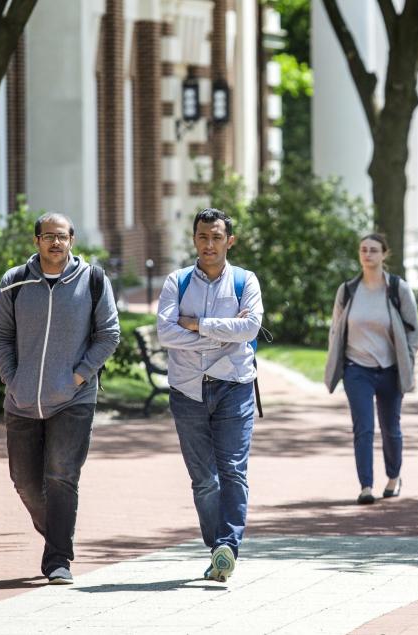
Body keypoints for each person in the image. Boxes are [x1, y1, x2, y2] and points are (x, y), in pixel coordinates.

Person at [0, 212, 120, 585]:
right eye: (48, 236)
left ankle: (58, 559)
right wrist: (14, 381)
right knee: (25, 481)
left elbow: (109, 334)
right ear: (36, 241)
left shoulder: (92, 280)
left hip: (74, 398)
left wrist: (79, 376)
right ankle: (60, 536)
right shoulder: (14, 282)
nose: (55, 243)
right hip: (22, 399)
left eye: (62, 236)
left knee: (62, 475)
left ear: (72, 240)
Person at [157, 208, 263, 583]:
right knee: (204, 479)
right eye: (203, 237)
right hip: (187, 390)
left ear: (229, 241)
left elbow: (250, 327)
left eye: (217, 237)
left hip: (234, 386)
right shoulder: (177, 281)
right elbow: (165, 333)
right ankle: (215, 545)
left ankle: (227, 546)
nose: (209, 244)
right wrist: (223, 333)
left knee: (233, 470)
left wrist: (198, 325)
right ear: (194, 239)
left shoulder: (245, 281)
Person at [325, 234, 418, 505]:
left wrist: (408, 360)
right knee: (363, 427)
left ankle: (393, 476)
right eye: (363, 250)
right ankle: (366, 485)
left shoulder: (397, 289)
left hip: (390, 369)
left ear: (384, 255)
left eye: (374, 250)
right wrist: (337, 362)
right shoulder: (348, 290)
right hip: (357, 370)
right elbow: (336, 328)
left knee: (391, 428)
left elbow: (413, 329)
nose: (368, 254)